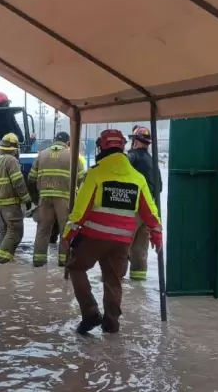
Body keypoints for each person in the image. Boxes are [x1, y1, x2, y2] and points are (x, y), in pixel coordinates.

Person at [63, 129, 162, 334]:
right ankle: (111, 326)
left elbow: (80, 211)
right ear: (124, 146)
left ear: (101, 147)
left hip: (94, 238)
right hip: (123, 240)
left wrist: (67, 236)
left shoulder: (95, 173)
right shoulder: (137, 178)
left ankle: (90, 314)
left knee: (76, 268)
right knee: (113, 281)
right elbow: (150, 212)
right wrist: (157, 235)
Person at [28, 132, 85, 267]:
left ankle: (38, 261)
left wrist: (36, 198)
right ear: (68, 142)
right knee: (65, 230)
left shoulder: (41, 155)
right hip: (64, 199)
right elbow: (82, 180)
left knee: (43, 229)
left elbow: (31, 179)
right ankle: (63, 261)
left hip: (44, 198)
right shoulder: (72, 155)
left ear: (54, 141)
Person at [126, 126, 163, 281]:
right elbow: (159, 187)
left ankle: (116, 280)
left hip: (131, 210)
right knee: (140, 251)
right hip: (148, 212)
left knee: (120, 247)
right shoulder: (153, 161)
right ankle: (138, 286)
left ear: (135, 141)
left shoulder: (131, 157)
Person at [0, 133, 32, 264]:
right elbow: (18, 181)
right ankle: (2, 260)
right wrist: (27, 199)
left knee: (5, 231)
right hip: (11, 203)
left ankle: (2, 263)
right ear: (14, 147)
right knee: (15, 231)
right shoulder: (11, 160)